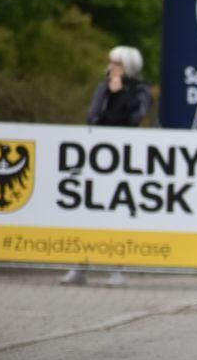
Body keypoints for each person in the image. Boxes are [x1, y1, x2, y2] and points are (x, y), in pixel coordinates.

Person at [61, 46, 152, 287]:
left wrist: (120, 94)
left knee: (117, 216)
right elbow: (93, 118)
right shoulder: (103, 88)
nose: (111, 68)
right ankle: (79, 267)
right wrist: (110, 97)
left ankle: (116, 270)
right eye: (111, 63)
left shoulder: (140, 91)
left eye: (117, 64)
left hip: (124, 160)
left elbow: (133, 120)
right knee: (87, 214)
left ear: (128, 67)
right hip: (97, 159)